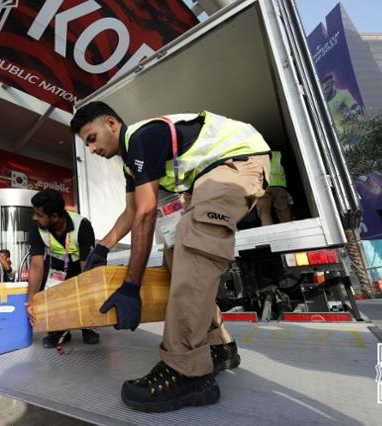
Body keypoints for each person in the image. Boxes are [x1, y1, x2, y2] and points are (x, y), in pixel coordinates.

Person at [70, 102, 270, 412]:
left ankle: (187, 372)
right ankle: (219, 347)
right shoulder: (129, 162)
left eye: (92, 137)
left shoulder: (142, 137)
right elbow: (132, 211)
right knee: (176, 256)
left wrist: (131, 286)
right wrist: (102, 247)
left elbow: (147, 211)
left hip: (235, 160)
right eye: (87, 144)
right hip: (207, 176)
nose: (92, 148)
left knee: (194, 240)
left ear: (111, 123)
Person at [25, 189, 100, 347]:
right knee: (50, 291)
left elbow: (86, 266)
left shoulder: (82, 225)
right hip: (55, 268)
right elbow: (37, 263)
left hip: (79, 266)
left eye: (39, 215)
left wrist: (89, 293)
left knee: (85, 289)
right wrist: (31, 298)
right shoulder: (36, 230)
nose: (34, 218)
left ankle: (87, 327)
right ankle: (59, 331)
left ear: (54, 216)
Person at [255, 150, 292, 225]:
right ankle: (289, 230)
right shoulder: (278, 155)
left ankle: (269, 232)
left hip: (264, 187)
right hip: (279, 187)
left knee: (264, 212)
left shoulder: (255, 157)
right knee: (284, 212)